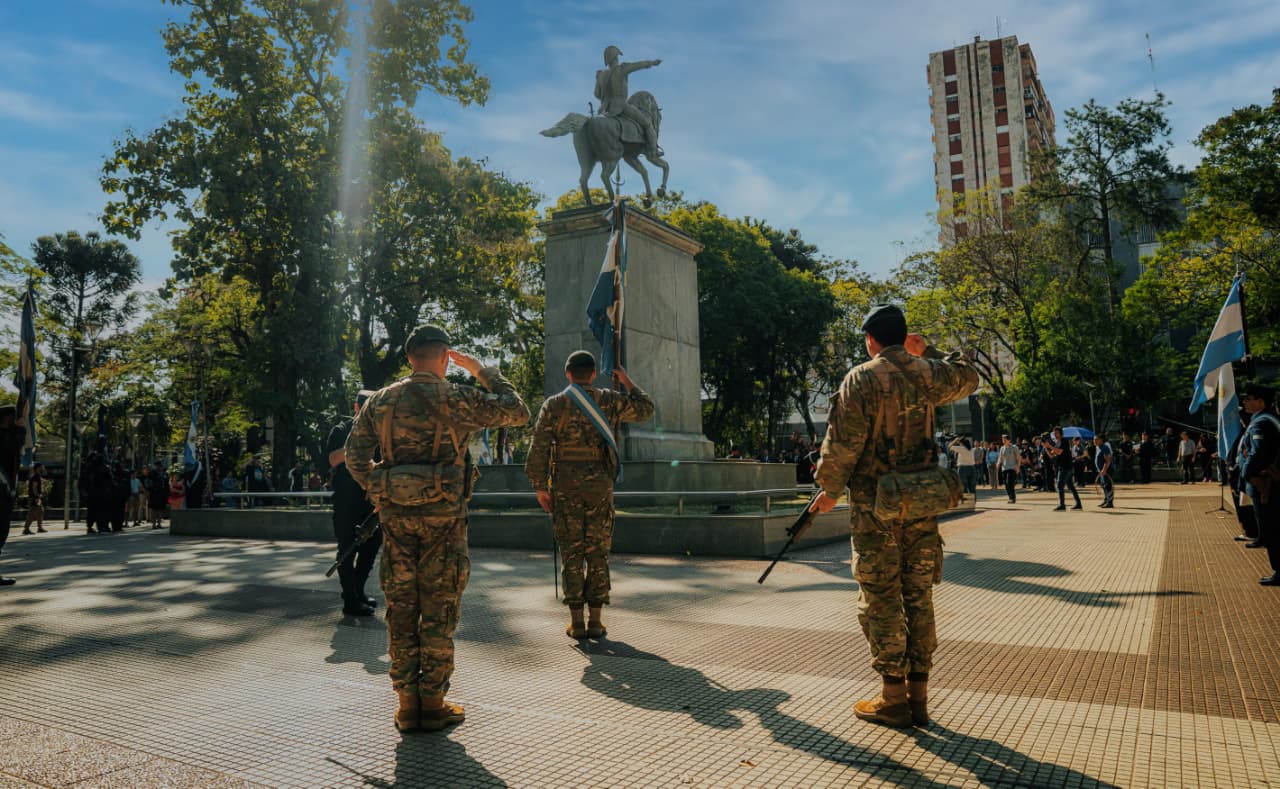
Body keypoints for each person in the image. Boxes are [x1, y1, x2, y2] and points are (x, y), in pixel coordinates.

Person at [344, 324, 529, 732]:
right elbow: (517, 411)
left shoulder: (381, 400)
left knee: (402, 608)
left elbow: (354, 456)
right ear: (446, 357)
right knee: (439, 610)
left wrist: (380, 488)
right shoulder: (459, 398)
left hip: (395, 520)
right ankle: (434, 703)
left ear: (409, 357)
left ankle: (407, 706)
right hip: (444, 522)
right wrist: (482, 371)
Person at [810, 303, 979, 728]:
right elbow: (968, 375)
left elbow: (843, 444)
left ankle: (892, 698)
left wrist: (829, 491)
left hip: (875, 510)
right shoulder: (926, 372)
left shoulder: (862, 378)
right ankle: (919, 698)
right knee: (918, 594)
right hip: (920, 504)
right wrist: (930, 351)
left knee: (882, 597)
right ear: (904, 337)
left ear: (870, 339)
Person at [525, 351, 655, 640]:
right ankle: (596, 621)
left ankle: (576, 623)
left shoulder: (555, 404)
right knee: (597, 552)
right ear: (593, 374)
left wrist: (540, 487)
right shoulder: (608, 400)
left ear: (568, 373)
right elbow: (645, 408)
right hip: (599, 485)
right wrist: (625, 380)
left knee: (571, 553)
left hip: (565, 486)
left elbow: (540, 448)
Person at [328, 390, 381, 617]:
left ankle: (357, 590)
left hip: (372, 497)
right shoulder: (341, 429)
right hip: (346, 498)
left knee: (372, 545)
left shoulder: (381, 430)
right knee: (347, 548)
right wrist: (360, 442)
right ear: (356, 408)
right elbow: (333, 459)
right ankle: (349, 600)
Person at [1241, 384, 1280, 585]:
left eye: (1249, 398)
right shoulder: (1270, 419)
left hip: (1266, 484)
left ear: (1260, 402)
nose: (1245, 402)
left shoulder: (1261, 423)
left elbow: (1257, 453)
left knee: (1272, 528)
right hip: (1271, 482)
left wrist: (1246, 474)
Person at [594, 45, 662, 157]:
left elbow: (597, 95)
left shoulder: (602, 75)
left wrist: (598, 80)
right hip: (621, 107)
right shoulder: (622, 69)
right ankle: (653, 150)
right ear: (616, 58)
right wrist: (652, 63)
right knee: (647, 124)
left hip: (605, 109)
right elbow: (638, 65)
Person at [0, 406, 24, 585]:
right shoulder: (3, 435)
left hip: (5, 490)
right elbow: (14, 445)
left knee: (2, 531)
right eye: (13, 417)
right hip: (1, 488)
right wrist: (21, 429)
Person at [1049, 427, 1083, 511]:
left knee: (1059, 485)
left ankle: (1062, 505)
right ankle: (1078, 503)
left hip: (1065, 467)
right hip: (1064, 466)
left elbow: (1059, 451)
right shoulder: (1057, 442)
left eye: (1057, 433)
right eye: (1054, 433)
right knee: (1070, 486)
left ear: (1061, 433)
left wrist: (1049, 445)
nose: (1055, 435)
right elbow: (1051, 454)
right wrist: (1046, 447)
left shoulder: (1064, 441)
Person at [22, 463, 47, 535]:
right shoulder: (36, 477)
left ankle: (40, 528)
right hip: (34, 497)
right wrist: (37, 497)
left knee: (40, 511)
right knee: (32, 513)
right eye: (42, 467)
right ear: (38, 468)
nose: (43, 468)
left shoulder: (37, 476)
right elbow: (34, 488)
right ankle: (26, 529)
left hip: (35, 497)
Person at [997, 434, 1021, 504]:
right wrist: (998, 463)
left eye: (1004, 439)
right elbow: (1000, 458)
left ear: (1009, 440)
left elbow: (1018, 458)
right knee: (1006, 484)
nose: (1003, 441)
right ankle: (1010, 497)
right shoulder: (1002, 448)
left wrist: (1018, 467)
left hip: (1012, 468)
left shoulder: (1014, 447)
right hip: (1004, 468)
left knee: (1009, 483)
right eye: (1002, 439)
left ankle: (1013, 498)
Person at [1094, 434, 1115, 508]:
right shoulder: (1098, 447)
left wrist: (1104, 469)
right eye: (1094, 439)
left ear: (1101, 440)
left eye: (1096, 439)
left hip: (1107, 470)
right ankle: (1106, 500)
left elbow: (1108, 460)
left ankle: (1110, 502)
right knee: (1104, 485)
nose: (1094, 441)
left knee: (1108, 486)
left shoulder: (1105, 447)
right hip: (1101, 471)